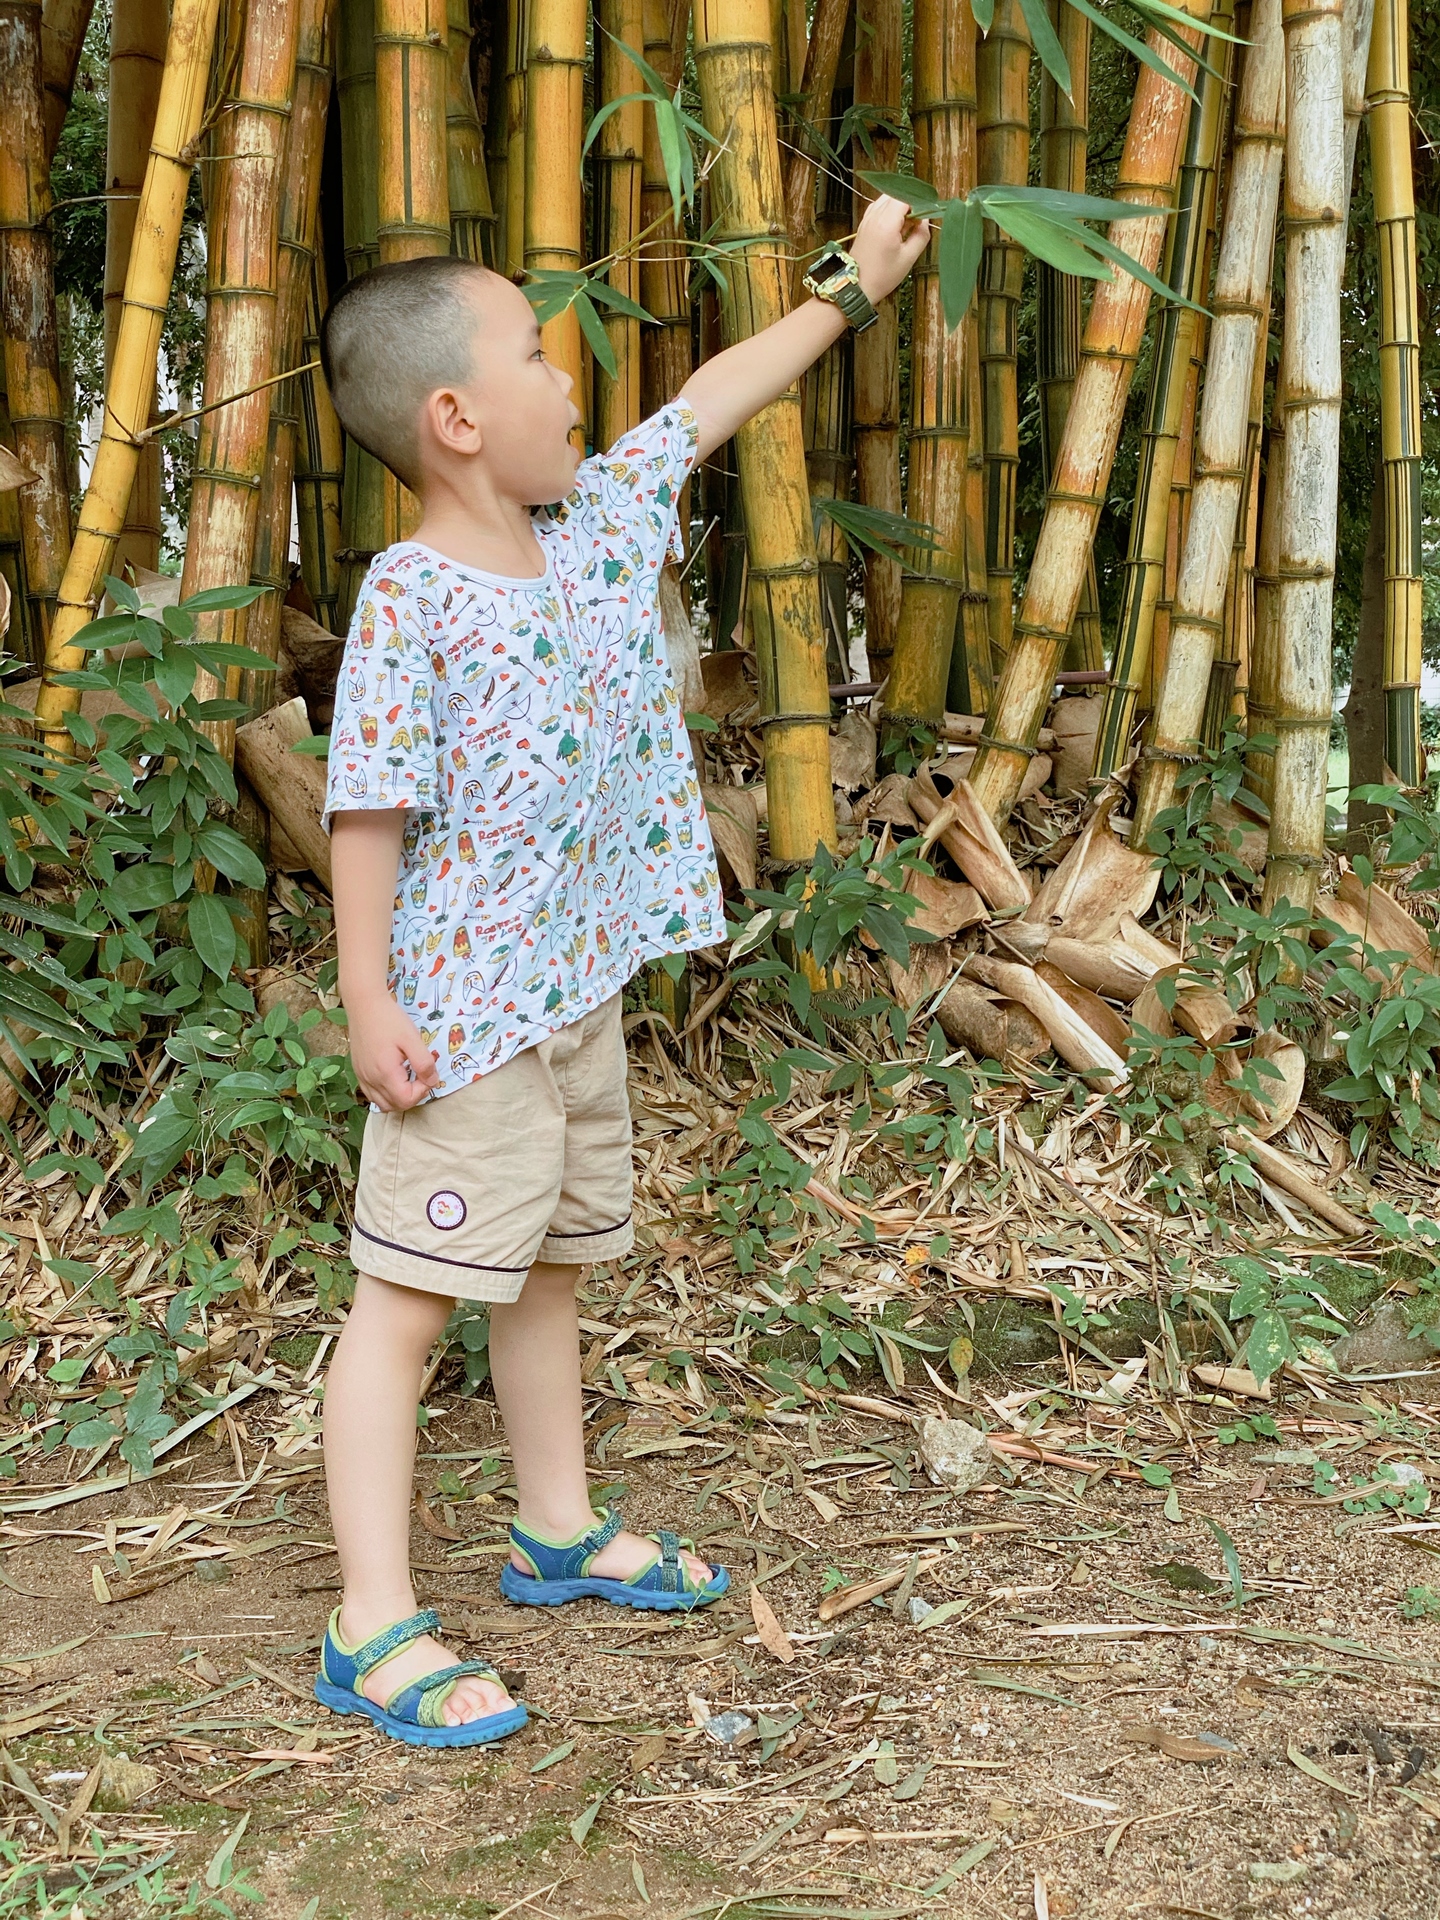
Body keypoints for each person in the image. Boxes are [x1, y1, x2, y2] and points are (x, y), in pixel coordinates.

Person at [314, 195, 931, 1747]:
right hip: (464, 1026)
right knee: (405, 1304)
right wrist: (370, 1001)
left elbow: (712, 397)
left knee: (556, 1267)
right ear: (456, 417)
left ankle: (556, 1530)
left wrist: (847, 295)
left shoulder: (596, 528)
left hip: (577, 996)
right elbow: (367, 813)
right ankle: (369, 1623)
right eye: (538, 353)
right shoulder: (413, 600)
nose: (571, 378)